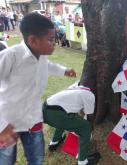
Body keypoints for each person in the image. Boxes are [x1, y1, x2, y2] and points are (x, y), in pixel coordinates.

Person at [0, 13, 76, 165]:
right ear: (33, 40)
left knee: (37, 159)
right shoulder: (11, 56)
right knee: (6, 160)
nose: (54, 43)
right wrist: (3, 127)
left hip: (32, 119)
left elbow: (48, 66)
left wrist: (64, 70)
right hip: (7, 123)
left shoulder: (41, 55)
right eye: (50, 40)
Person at [43, 81, 101, 165]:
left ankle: (54, 143)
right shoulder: (90, 95)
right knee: (85, 127)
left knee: (64, 116)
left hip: (46, 108)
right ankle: (82, 161)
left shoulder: (75, 85)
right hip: (57, 115)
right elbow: (87, 114)